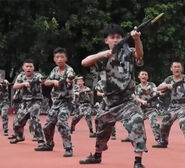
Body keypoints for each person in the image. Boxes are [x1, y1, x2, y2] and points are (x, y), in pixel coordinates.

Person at [80, 24, 147, 168]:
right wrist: (103, 54)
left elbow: (140, 55)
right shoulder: (103, 57)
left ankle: (138, 162)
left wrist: (136, 39)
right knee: (102, 131)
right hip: (108, 102)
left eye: (118, 37)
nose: (116, 40)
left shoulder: (129, 53)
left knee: (137, 122)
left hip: (127, 101)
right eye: (112, 37)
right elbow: (84, 62)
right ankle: (97, 155)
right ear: (106, 40)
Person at [34, 47, 74, 157]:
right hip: (56, 103)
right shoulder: (55, 70)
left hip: (67, 102)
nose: (60, 59)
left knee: (61, 122)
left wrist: (69, 79)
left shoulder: (69, 70)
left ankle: (68, 147)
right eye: (57, 57)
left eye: (62, 57)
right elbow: (46, 82)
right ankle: (49, 144)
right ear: (54, 59)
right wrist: (54, 81)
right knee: (47, 126)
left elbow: (70, 78)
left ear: (66, 58)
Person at [152, 61, 185, 154]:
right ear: (171, 69)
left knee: (183, 123)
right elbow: (158, 88)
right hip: (172, 107)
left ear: (181, 69)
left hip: (183, 106)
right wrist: (167, 86)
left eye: (178, 67)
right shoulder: (169, 79)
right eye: (175, 67)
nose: (177, 69)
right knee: (164, 124)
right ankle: (163, 142)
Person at [9, 59, 46, 149]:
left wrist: (42, 80)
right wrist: (24, 84)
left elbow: (43, 80)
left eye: (31, 66)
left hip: (36, 101)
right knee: (17, 123)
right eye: (27, 66)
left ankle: (41, 140)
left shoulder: (37, 75)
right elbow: (15, 86)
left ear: (33, 68)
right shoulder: (21, 76)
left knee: (34, 119)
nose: (29, 68)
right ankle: (20, 136)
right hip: (25, 102)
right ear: (23, 68)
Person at [135, 70, 161, 144]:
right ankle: (142, 139)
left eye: (146, 74)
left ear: (147, 77)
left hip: (152, 109)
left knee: (154, 123)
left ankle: (159, 140)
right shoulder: (137, 87)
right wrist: (142, 101)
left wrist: (159, 92)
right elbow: (136, 97)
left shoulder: (151, 85)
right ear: (139, 77)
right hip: (141, 110)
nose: (144, 76)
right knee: (137, 123)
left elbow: (156, 91)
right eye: (142, 74)